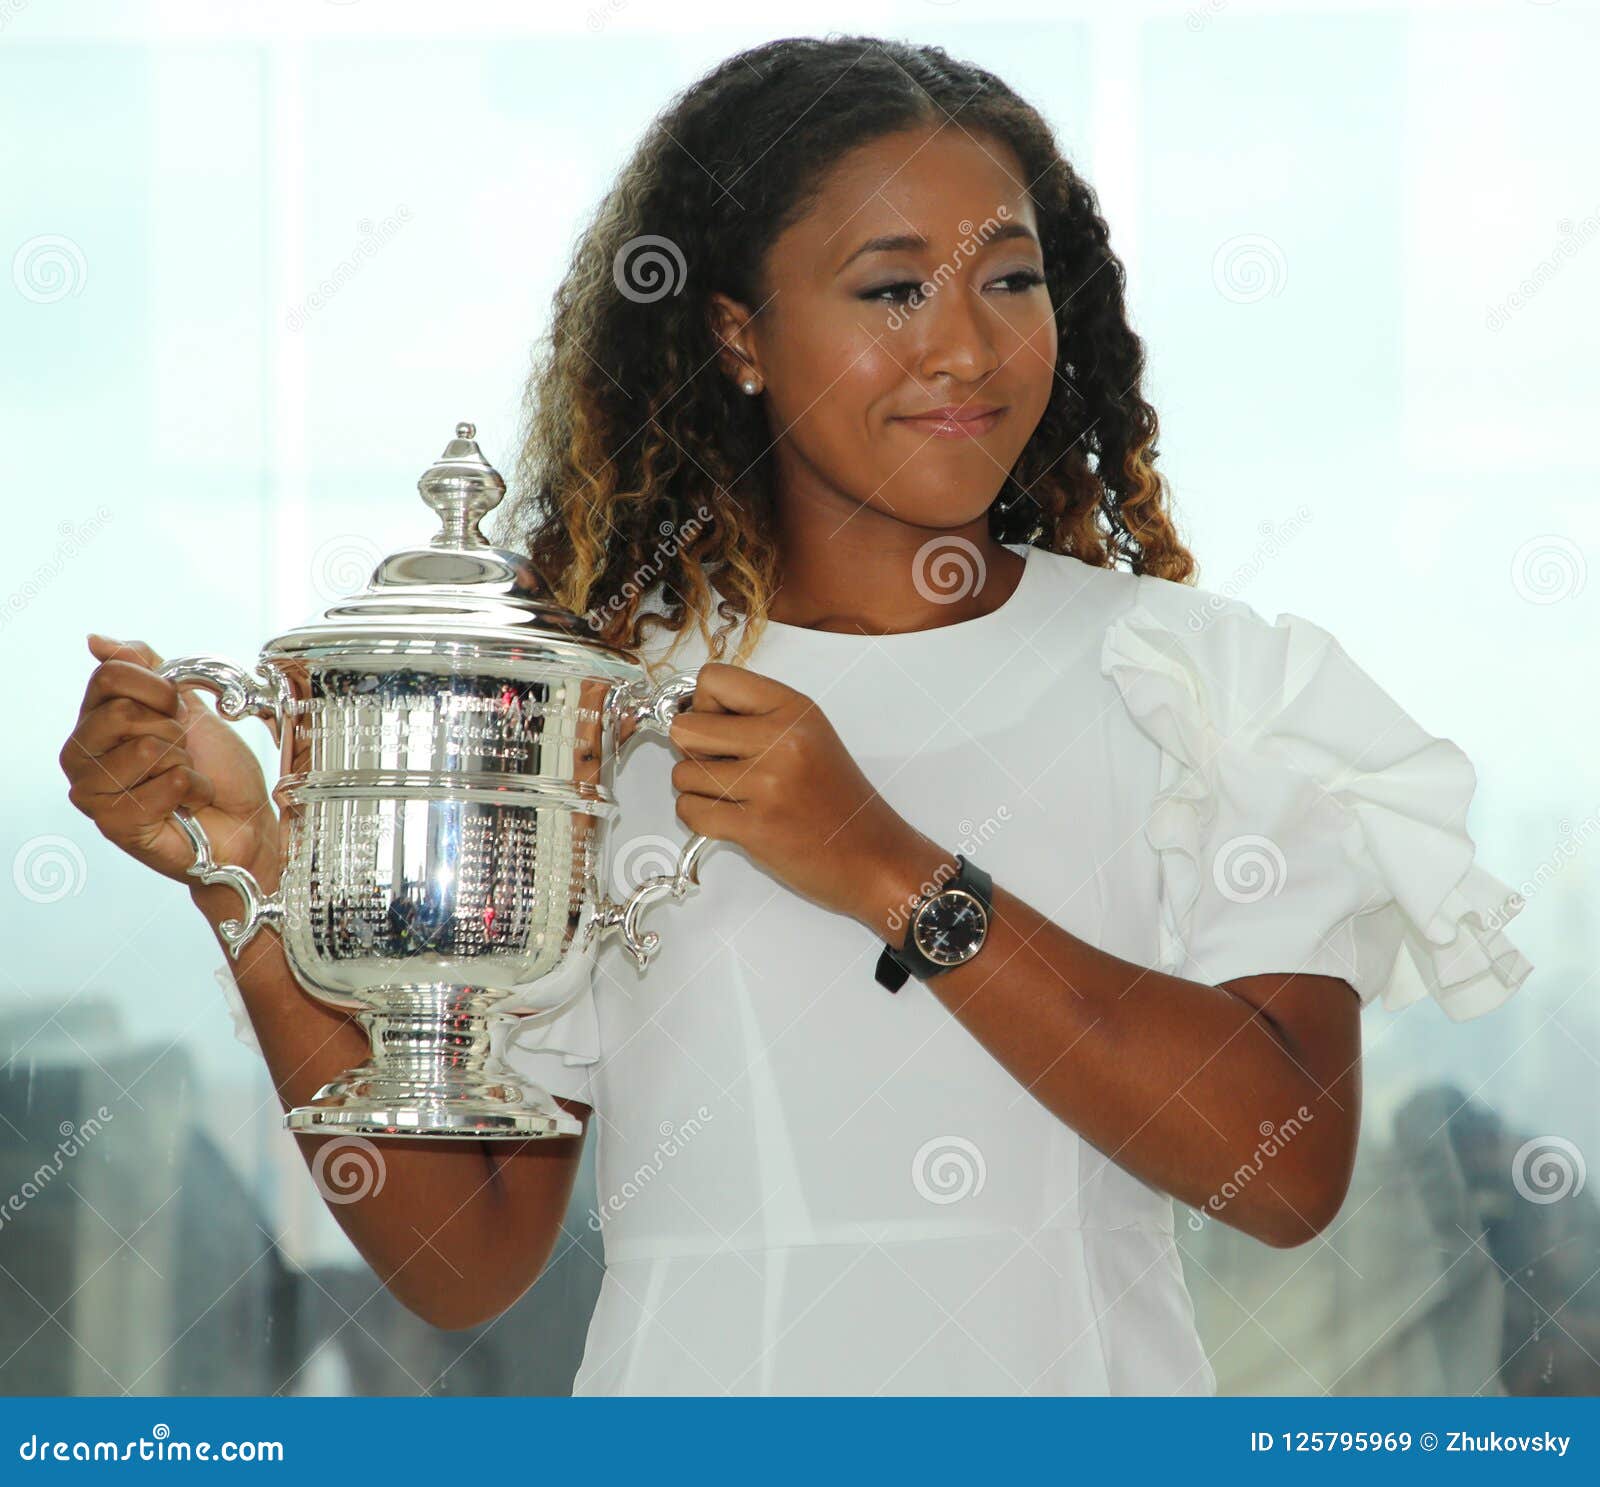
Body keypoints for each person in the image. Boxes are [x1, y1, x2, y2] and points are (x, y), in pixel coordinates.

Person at [60, 35, 1534, 1395]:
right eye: (892, 288)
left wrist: (888, 868)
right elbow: (466, 1255)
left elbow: (1277, 1173)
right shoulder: (591, 716)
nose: (964, 347)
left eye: (1008, 280)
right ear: (739, 334)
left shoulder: (1206, 687)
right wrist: (241, 882)